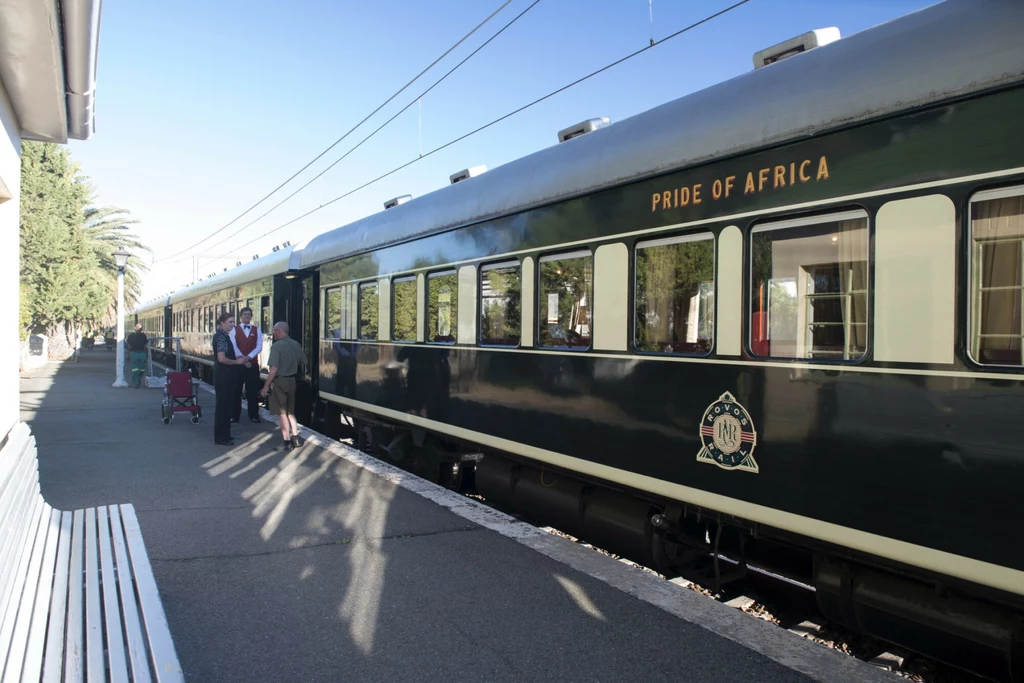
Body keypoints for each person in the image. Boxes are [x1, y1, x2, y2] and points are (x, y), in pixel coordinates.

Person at [259, 321, 305, 450]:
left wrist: (265, 386)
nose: (273, 333)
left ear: (279, 331)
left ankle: (286, 441)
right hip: (292, 381)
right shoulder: (296, 344)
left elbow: (274, 369)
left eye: (274, 331)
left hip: (280, 381)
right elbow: (303, 361)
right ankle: (296, 438)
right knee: (291, 411)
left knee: (282, 413)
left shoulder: (277, 346)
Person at [212, 313, 247, 446]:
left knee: (226, 407)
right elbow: (221, 358)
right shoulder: (220, 337)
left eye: (233, 322)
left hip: (226, 376)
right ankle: (221, 437)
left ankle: (225, 435)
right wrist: (237, 362)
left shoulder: (223, 336)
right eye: (230, 322)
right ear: (222, 323)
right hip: (224, 377)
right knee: (223, 408)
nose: (233, 324)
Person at [231, 307, 263, 424]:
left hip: (252, 365)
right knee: (236, 390)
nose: (247, 316)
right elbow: (233, 346)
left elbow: (259, 346)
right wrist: (244, 359)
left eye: (249, 314)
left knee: (253, 391)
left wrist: (249, 357)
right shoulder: (234, 330)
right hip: (239, 364)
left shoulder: (257, 330)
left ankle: (254, 415)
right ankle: (235, 415)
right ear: (240, 316)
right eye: (245, 314)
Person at [125, 323, 149, 388]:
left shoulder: (143, 336)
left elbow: (145, 346)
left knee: (142, 370)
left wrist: (146, 354)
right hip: (134, 353)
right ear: (135, 328)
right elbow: (129, 346)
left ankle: (138, 379)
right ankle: (136, 383)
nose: (140, 329)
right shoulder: (131, 336)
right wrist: (128, 355)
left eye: (141, 328)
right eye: (138, 328)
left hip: (141, 354)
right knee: (135, 370)